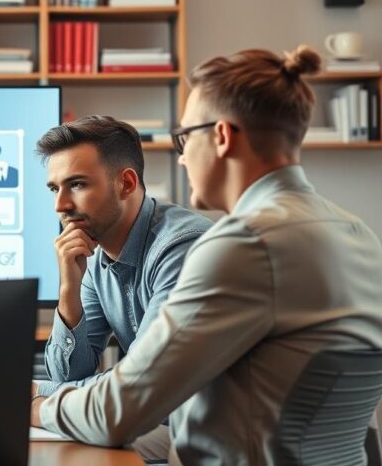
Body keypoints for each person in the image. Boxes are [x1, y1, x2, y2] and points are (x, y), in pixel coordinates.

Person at [34, 46, 382, 464]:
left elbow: (118, 410)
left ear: (221, 136)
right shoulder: (358, 233)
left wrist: (33, 403)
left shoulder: (244, 245)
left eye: (184, 138)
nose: (181, 158)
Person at [33, 116, 211, 460]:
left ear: (126, 183)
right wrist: (69, 289)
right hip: (154, 420)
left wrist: (40, 396)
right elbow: (70, 375)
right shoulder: (95, 254)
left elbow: (137, 385)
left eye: (77, 185)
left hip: (199, 427)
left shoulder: (182, 247)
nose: (60, 205)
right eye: (55, 189)